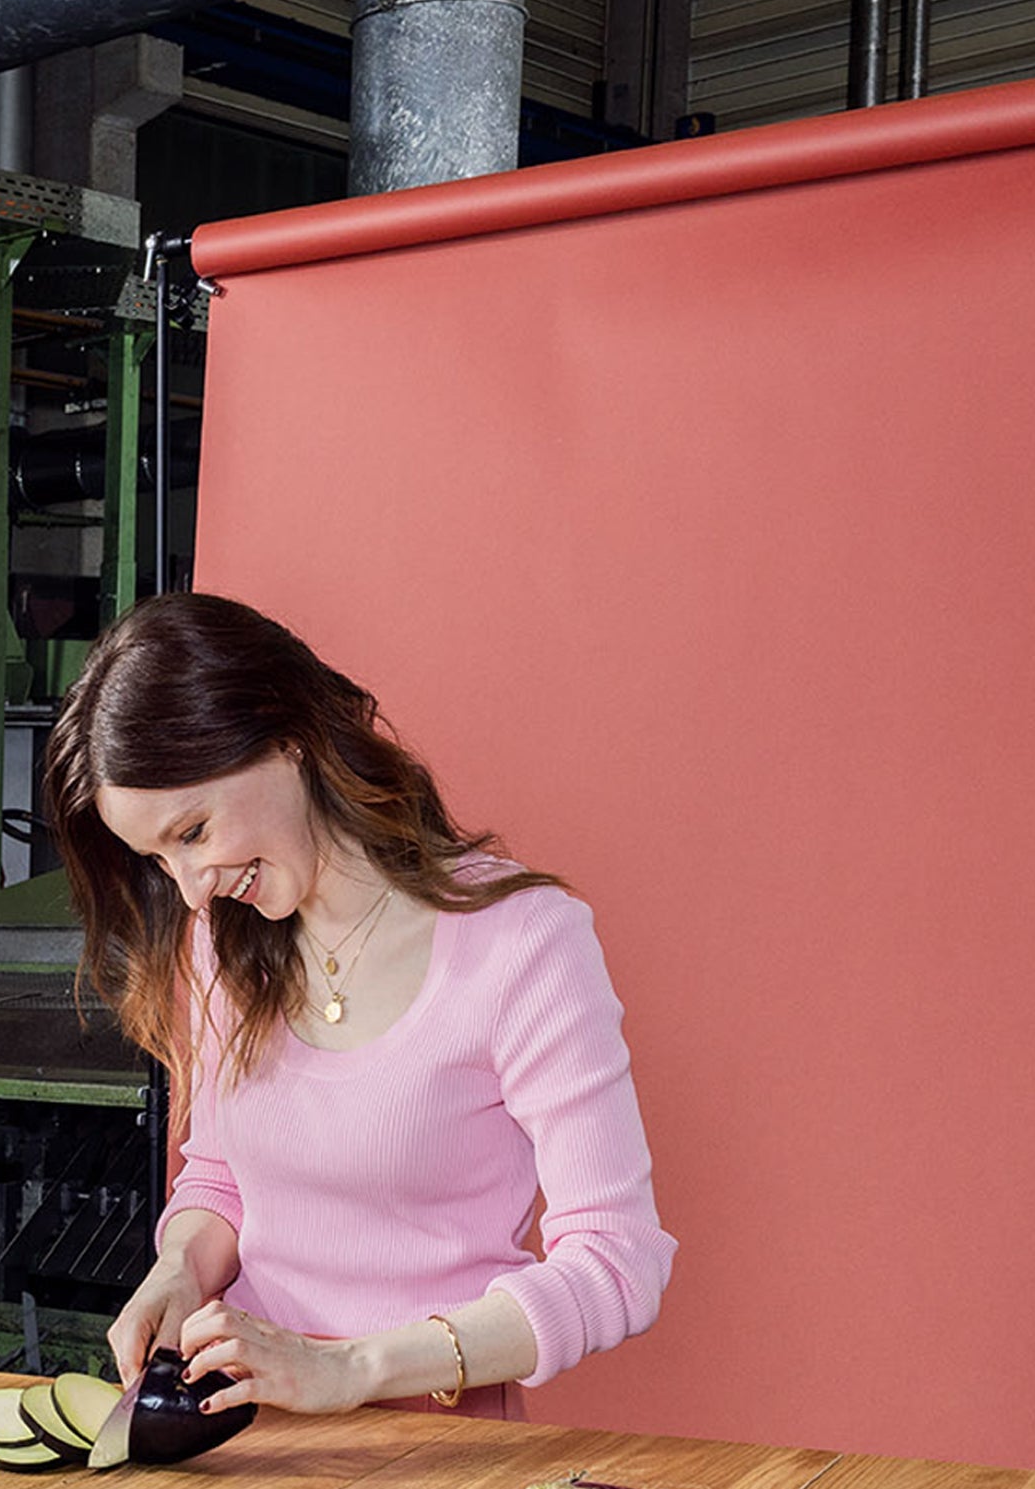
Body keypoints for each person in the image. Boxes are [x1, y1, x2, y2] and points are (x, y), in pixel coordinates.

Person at [41, 593, 670, 1420]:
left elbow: (617, 1262)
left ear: (287, 742)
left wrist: (351, 1367)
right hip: (239, 1434)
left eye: (192, 831)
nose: (191, 891)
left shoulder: (520, 943)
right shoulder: (222, 946)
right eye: (157, 860)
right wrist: (179, 1271)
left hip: (440, 1453)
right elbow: (223, 1175)